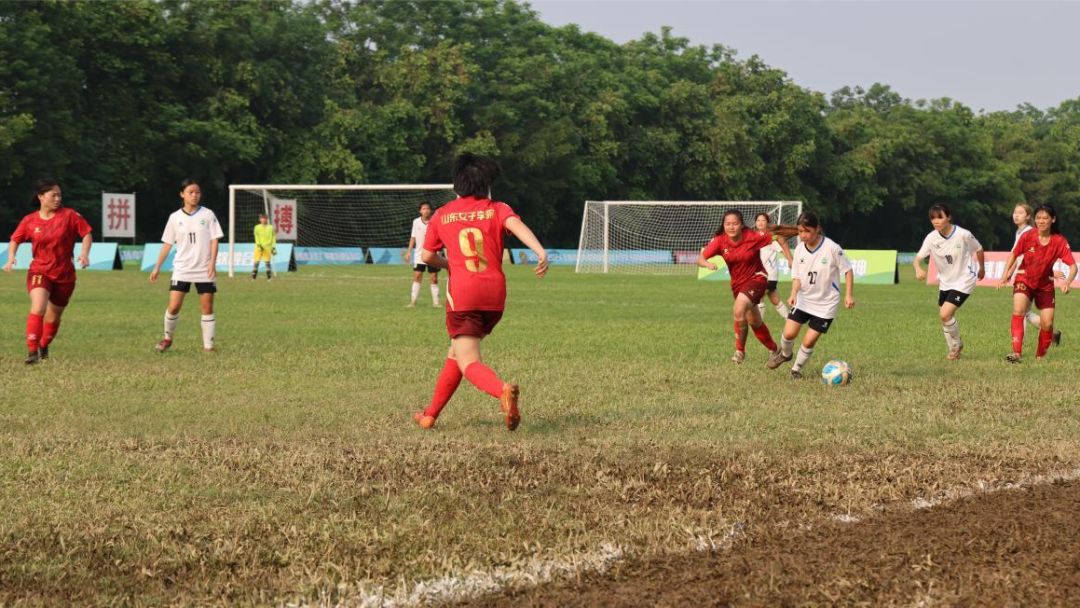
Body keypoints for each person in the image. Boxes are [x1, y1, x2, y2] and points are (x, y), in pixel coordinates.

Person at [412, 153, 548, 431]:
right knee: (456, 353)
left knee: (468, 359)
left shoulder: (443, 214)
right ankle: (429, 415)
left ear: (457, 183)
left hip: (464, 294)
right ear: (486, 183)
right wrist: (540, 252)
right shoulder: (497, 208)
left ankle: (502, 391)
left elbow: (426, 256)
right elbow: (516, 225)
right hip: (494, 295)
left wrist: (451, 265)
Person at [3, 179, 92, 364]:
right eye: (53, 195)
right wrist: (11, 257)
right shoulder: (29, 220)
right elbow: (15, 239)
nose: (58, 199)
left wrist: (84, 253)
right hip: (39, 271)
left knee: (54, 316)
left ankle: (43, 345)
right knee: (38, 307)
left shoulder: (70, 215)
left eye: (59, 195)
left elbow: (86, 234)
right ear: (41, 197)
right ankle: (32, 352)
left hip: (64, 274)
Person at [696, 210, 797, 365]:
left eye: (735, 223)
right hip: (738, 285)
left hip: (757, 278)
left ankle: (740, 352)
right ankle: (775, 349)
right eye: (727, 224)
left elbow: (778, 236)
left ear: (742, 224)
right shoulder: (720, 241)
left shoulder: (752, 236)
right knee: (755, 322)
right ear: (723, 225)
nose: (731, 227)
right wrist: (707, 264)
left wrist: (798, 236)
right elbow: (700, 259)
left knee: (739, 308)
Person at [767, 212, 855, 378]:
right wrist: (793, 293)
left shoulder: (832, 248)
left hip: (826, 304)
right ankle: (785, 354)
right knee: (788, 334)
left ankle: (796, 370)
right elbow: (797, 277)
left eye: (807, 231)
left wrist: (849, 295)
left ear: (817, 229)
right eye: (800, 231)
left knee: (808, 341)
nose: (803, 235)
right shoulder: (800, 249)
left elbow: (848, 270)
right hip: (804, 299)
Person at [149, 179, 224, 353]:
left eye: (197, 192)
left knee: (207, 308)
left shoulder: (208, 214)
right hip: (182, 269)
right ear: (182, 194)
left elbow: (214, 240)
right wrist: (157, 267)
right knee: (174, 306)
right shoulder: (175, 217)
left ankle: (208, 347)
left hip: (204, 268)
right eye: (191, 192)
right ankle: (167, 338)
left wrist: (212, 263)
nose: (195, 195)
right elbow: (168, 244)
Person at [997, 203, 1077, 362]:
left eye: (1045, 218)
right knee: (1019, 310)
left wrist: (1067, 282)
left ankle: (1040, 357)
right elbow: (1014, 255)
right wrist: (1005, 275)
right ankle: (1016, 353)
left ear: (1053, 219)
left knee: (1047, 324)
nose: (1041, 221)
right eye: (1038, 218)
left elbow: (1073, 266)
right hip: (1024, 279)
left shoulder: (1059, 241)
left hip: (1045, 285)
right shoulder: (1027, 236)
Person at [912, 204, 984, 360]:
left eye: (940, 217)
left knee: (945, 314)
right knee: (944, 318)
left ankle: (957, 345)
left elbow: (978, 249)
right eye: (933, 218)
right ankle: (955, 352)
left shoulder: (963, 234)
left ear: (948, 217)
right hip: (946, 281)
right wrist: (918, 269)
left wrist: (981, 268)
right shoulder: (931, 238)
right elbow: (917, 259)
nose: (936, 221)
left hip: (965, 278)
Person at [1012, 203, 1061, 345]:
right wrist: (1010, 272)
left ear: (1028, 216)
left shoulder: (1030, 232)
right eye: (1015, 212)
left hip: (1030, 277)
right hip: (1023, 275)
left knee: (1021, 311)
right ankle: (1052, 334)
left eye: (1020, 213)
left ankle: (1019, 344)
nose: (1016, 215)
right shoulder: (1019, 232)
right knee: (1024, 311)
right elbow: (1016, 255)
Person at [754, 212, 793, 319]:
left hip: (769, 275)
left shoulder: (771, 237)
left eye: (763, 220)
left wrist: (791, 261)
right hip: (760, 275)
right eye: (758, 220)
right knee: (776, 301)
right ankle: (790, 321)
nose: (760, 222)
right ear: (755, 223)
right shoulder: (753, 237)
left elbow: (783, 250)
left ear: (767, 223)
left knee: (756, 297)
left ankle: (758, 325)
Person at [406, 201, 440, 307]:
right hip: (419, 255)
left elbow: (440, 236)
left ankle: (436, 303)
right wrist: (409, 251)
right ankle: (413, 302)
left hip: (433, 254)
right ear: (420, 211)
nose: (426, 211)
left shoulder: (435, 221)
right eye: (423, 209)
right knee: (417, 276)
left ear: (431, 210)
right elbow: (413, 237)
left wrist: (439, 251)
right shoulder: (416, 222)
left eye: (428, 208)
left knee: (434, 277)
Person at [252, 213, 276, 281]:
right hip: (259, 247)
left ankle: (269, 278)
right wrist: (259, 245)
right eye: (262, 218)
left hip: (267, 248)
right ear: (260, 219)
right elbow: (256, 237)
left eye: (265, 218)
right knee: (256, 262)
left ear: (267, 219)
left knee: (267, 263)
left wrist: (273, 247)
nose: (263, 220)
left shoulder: (271, 227)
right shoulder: (257, 227)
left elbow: (273, 237)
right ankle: (253, 278)